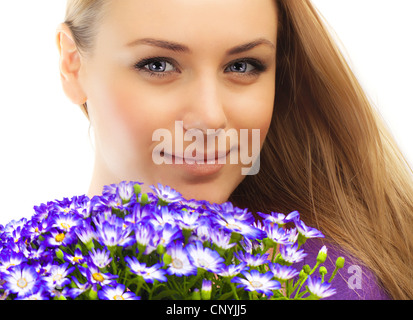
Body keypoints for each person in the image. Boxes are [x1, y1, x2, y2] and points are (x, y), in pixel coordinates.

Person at [56, 0, 413, 300]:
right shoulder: (30, 271)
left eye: (241, 66)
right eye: (158, 65)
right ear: (72, 65)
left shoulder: (327, 280)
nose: (211, 118)